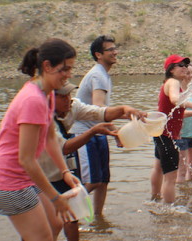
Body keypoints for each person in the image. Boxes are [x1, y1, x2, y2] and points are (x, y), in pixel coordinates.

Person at [0, 38, 80, 241]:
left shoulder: (47, 93)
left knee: (56, 223)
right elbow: (26, 159)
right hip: (7, 183)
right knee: (42, 237)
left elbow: (50, 137)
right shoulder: (33, 100)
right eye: (64, 69)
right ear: (47, 66)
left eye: (70, 69)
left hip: (22, 179)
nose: (68, 75)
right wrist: (55, 197)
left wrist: (64, 172)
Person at [39, 81, 146, 241]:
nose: (68, 99)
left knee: (71, 214)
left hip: (63, 169)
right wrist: (93, 131)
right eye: (62, 96)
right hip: (41, 173)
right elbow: (65, 148)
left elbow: (101, 113)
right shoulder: (43, 117)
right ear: (50, 99)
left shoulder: (73, 106)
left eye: (68, 94)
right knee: (47, 226)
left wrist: (126, 109)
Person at [149, 54, 192, 203]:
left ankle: (154, 198)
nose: (184, 68)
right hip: (168, 136)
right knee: (171, 177)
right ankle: (170, 210)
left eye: (185, 65)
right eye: (180, 65)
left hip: (161, 133)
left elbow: (179, 112)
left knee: (158, 168)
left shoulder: (169, 83)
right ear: (171, 69)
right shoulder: (173, 83)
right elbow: (175, 100)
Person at [69, 34, 118, 217]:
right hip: (85, 133)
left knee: (103, 180)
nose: (115, 52)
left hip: (98, 132)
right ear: (99, 54)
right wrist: (116, 130)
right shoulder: (98, 74)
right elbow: (99, 106)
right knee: (92, 182)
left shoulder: (103, 73)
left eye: (115, 48)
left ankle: (98, 219)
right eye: (110, 49)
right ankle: (66, 213)